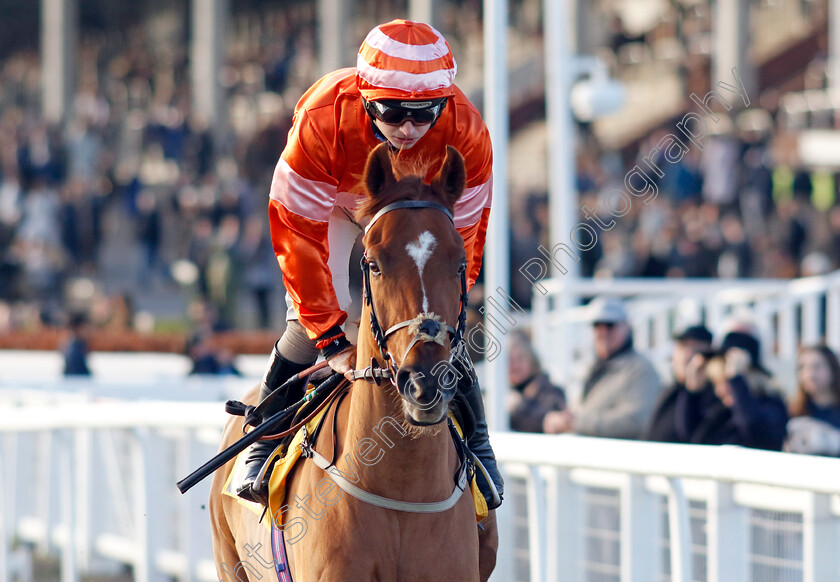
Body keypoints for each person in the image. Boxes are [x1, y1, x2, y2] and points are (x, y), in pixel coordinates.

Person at [238, 19, 502, 508]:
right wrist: (331, 339)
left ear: (445, 103)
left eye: (424, 114)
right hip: (332, 209)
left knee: (440, 325)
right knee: (304, 325)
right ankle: (263, 440)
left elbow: (460, 243)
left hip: (416, 215)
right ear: (364, 98)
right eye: (393, 112)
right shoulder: (322, 120)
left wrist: (448, 305)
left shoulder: (467, 130)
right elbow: (297, 236)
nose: (408, 128)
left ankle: (479, 443)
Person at [543, 297, 662, 439]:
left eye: (610, 325)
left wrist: (576, 423)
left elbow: (636, 421)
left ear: (627, 327)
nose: (603, 331)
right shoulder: (592, 367)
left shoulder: (641, 370)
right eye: (597, 325)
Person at [675, 328, 788, 450]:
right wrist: (692, 391)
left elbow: (753, 428)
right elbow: (688, 433)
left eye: (726, 382)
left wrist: (736, 379)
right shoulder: (719, 409)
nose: (719, 391)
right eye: (716, 383)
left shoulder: (772, 405)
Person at [644, 325, 715, 442]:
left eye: (695, 349)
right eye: (682, 347)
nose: (687, 356)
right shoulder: (669, 389)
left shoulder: (714, 395)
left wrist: (693, 389)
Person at [785, 345, 840, 456]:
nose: (809, 375)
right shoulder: (792, 410)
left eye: (817, 367)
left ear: (832, 369)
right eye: (802, 367)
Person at [507, 330, 566, 433]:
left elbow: (549, 420)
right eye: (510, 360)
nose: (515, 365)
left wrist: (519, 406)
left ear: (532, 360)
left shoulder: (551, 391)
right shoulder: (502, 395)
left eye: (520, 358)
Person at [62, 312, 92, 376]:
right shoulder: (73, 351)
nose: (89, 330)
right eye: (85, 327)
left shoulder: (80, 346)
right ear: (78, 328)